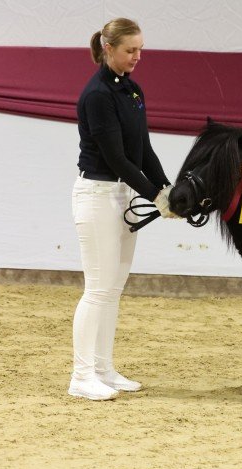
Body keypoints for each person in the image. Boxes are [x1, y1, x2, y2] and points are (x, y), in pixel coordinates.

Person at [69, 18, 177, 401]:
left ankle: (103, 368)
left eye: (140, 49)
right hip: (97, 194)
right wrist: (156, 198)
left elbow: (143, 150)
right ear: (109, 48)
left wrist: (167, 189)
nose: (138, 56)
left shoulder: (131, 89)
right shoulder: (97, 94)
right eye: (130, 50)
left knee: (113, 289)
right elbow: (116, 158)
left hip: (123, 196)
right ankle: (81, 376)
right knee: (97, 289)